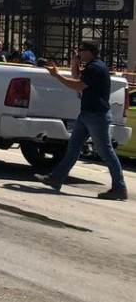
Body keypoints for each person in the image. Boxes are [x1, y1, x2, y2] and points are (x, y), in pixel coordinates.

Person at [36, 41, 127, 201]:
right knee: (73, 147)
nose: (78, 53)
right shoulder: (92, 66)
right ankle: (56, 178)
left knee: (105, 151)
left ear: (89, 51)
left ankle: (119, 187)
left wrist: (57, 76)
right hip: (87, 114)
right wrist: (74, 64)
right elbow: (77, 77)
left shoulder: (96, 67)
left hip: (96, 115)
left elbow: (78, 85)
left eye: (81, 51)